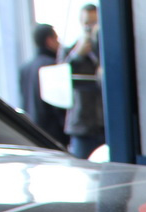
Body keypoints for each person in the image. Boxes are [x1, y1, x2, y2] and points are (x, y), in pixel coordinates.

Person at [60, 3, 103, 159]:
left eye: (94, 23)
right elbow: (62, 77)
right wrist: (78, 55)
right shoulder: (70, 51)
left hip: (106, 123)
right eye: (86, 23)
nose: (90, 28)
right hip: (82, 125)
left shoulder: (106, 50)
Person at [18, 23, 67, 146]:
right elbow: (58, 105)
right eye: (56, 39)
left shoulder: (25, 68)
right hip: (52, 133)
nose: (59, 44)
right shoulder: (52, 66)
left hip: (31, 130)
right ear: (49, 41)